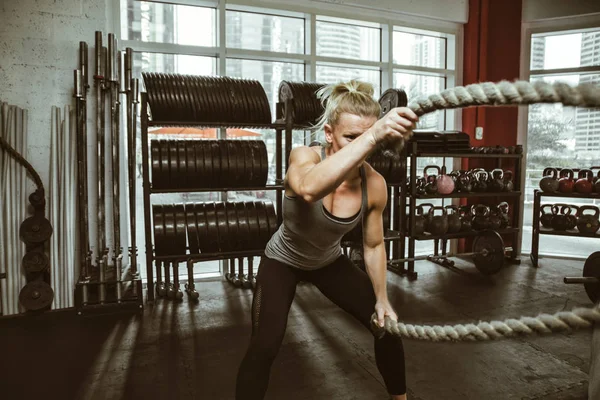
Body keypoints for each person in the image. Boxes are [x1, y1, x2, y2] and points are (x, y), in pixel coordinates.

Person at [235, 79, 419, 400]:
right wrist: (374, 135)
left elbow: (373, 245)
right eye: (351, 137)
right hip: (283, 260)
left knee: (385, 328)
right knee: (264, 345)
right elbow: (308, 189)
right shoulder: (303, 156)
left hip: (328, 262)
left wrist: (382, 298)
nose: (361, 146)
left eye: (367, 137)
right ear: (329, 134)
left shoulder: (373, 184)